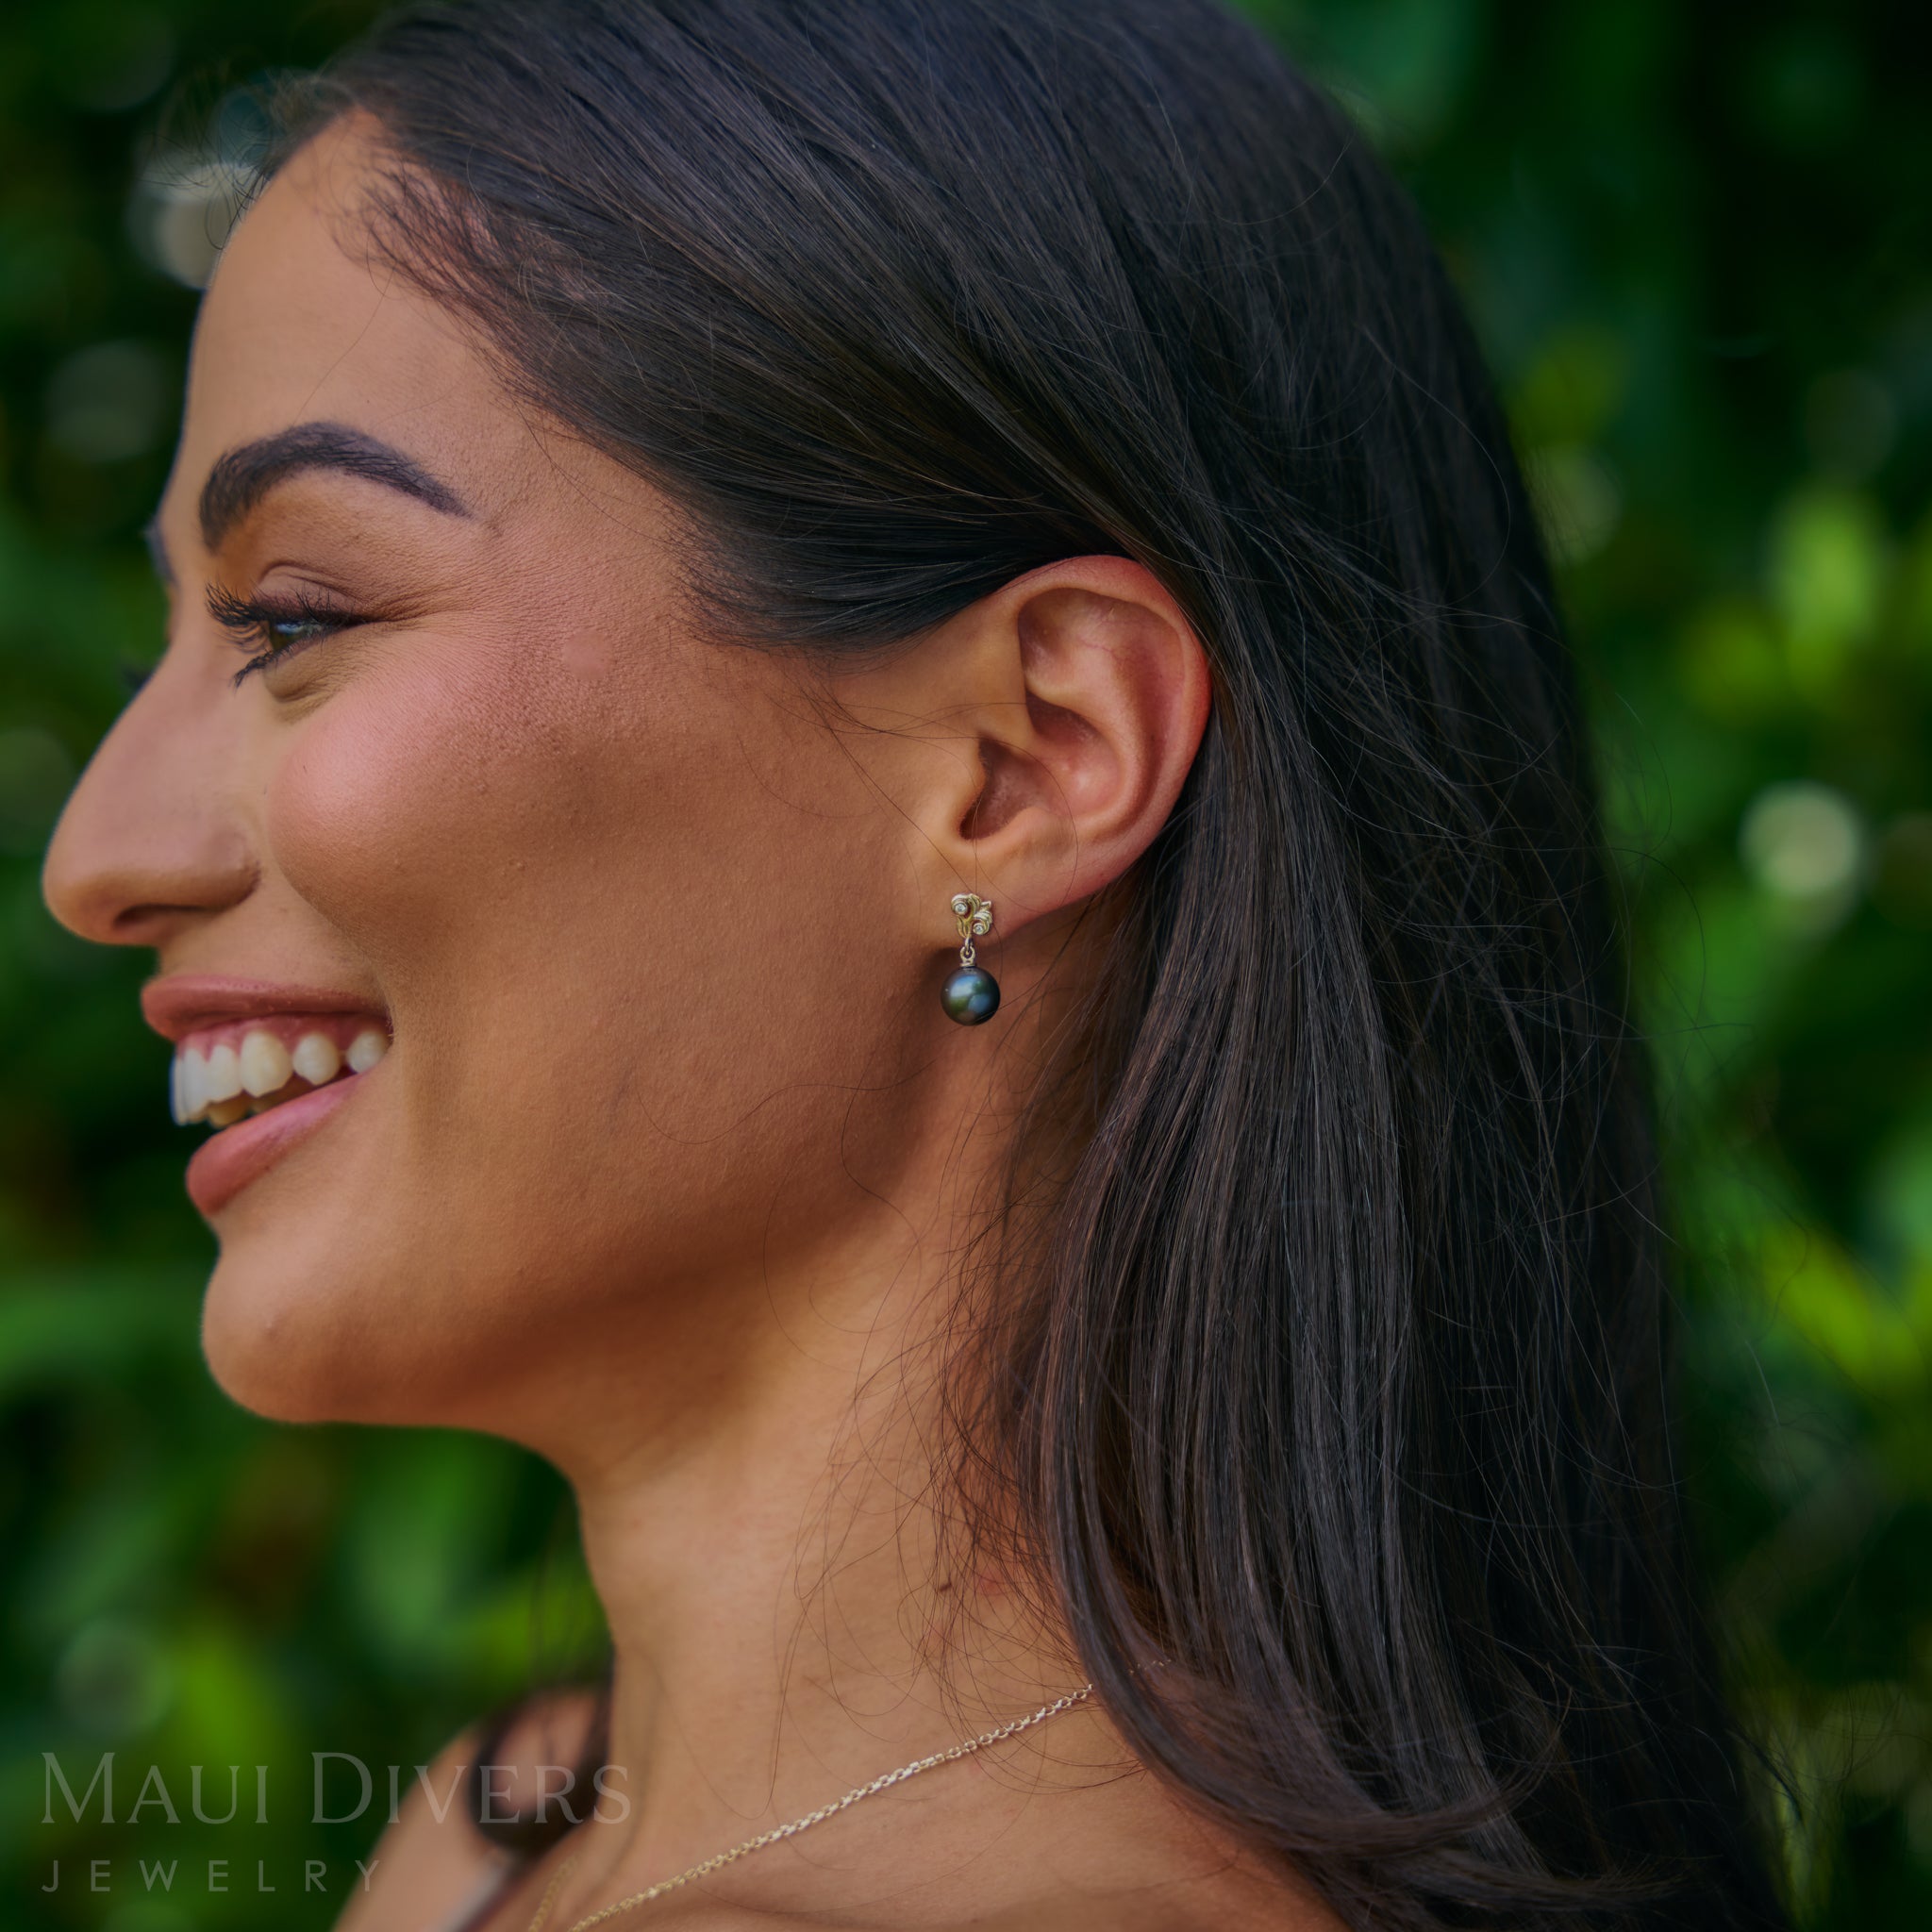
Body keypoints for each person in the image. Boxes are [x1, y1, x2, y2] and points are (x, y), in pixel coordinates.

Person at [41, 2, 1792, 1926]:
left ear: (1027, 755)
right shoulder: (507, 1821)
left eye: (294, 617)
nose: (96, 861)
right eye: (177, 643)